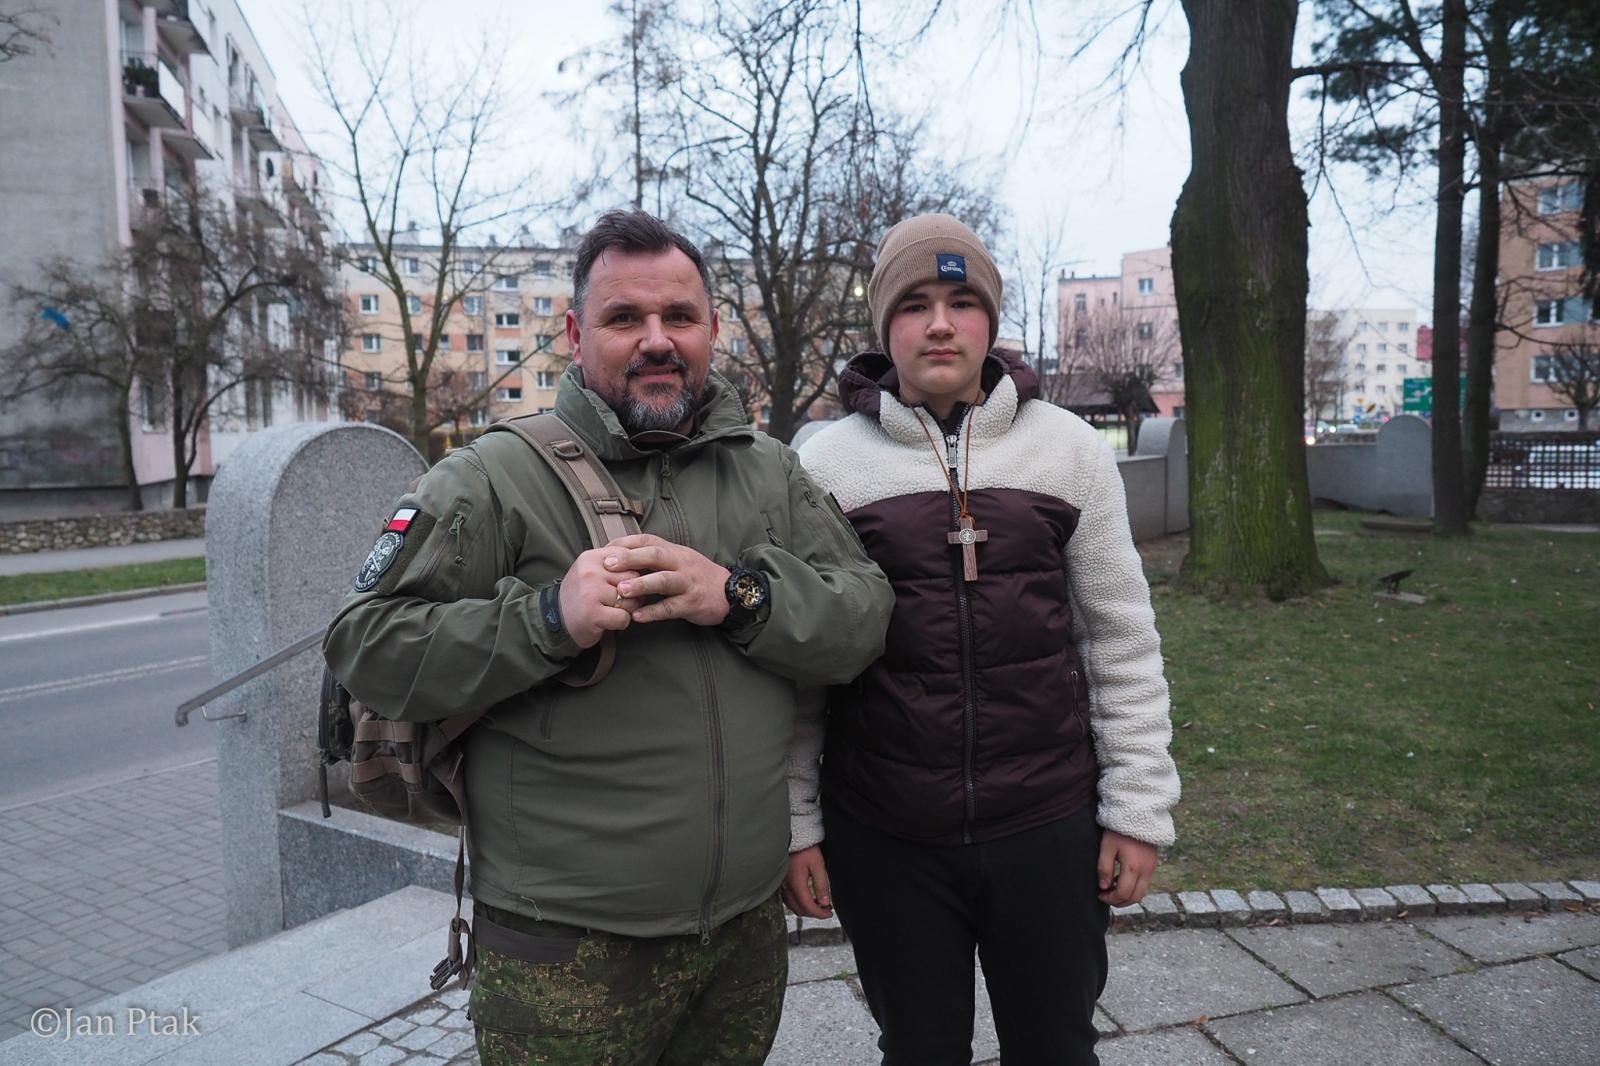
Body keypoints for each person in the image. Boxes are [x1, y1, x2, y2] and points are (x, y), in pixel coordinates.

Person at [323, 209, 894, 1065]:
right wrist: (549, 618)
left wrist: (737, 597)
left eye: (681, 318)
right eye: (625, 319)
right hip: (566, 949)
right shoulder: (492, 477)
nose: (657, 340)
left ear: (712, 330)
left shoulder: (768, 469)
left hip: (742, 933)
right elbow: (365, 646)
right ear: (575, 334)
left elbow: (864, 617)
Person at [783, 213, 1181, 1065]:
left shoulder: (1066, 452)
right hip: (888, 834)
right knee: (919, 1050)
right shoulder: (825, 467)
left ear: (990, 322)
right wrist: (798, 825)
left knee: (1057, 1047)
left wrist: (1139, 810)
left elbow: (1121, 639)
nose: (938, 323)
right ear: (884, 325)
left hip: (1047, 825)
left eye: (963, 302)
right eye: (915, 302)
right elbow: (800, 670)